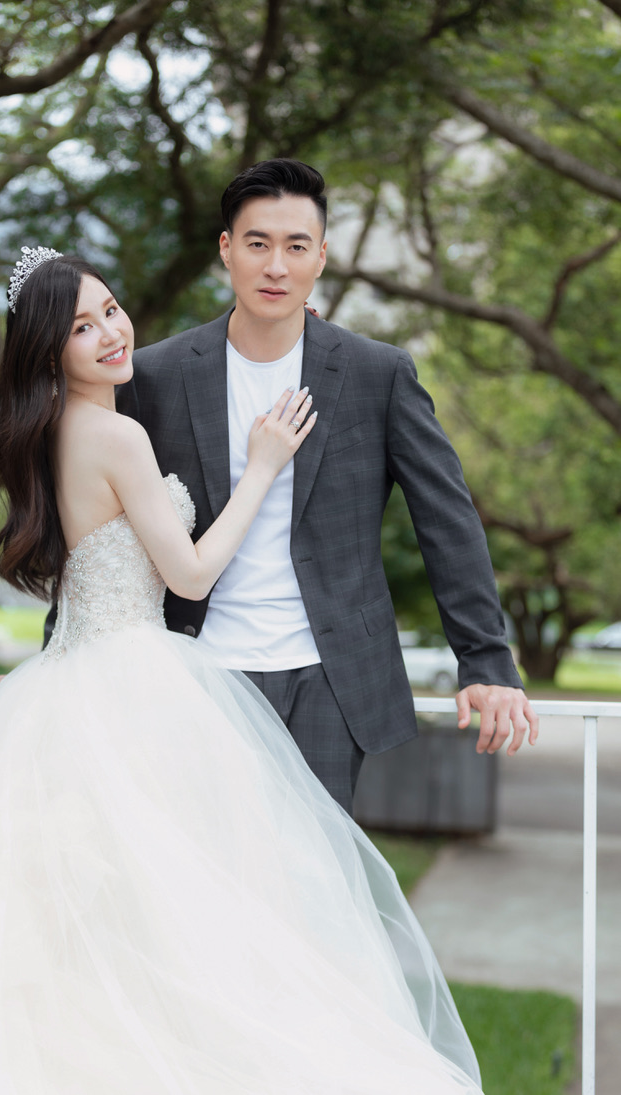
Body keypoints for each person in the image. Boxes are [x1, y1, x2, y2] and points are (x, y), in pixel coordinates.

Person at [0, 247, 486, 1093]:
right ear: (49, 351)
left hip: (70, 677)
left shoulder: (49, 435)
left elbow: (85, 572)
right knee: (205, 915)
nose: (111, 333)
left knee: (113, 924)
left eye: (110, 309)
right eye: (81, 327)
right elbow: (191, 575)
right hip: (137, 683)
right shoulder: (116, 434)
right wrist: (264, 465)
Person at [118, 159, 537, 810]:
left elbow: (447, 520)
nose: (275, 266)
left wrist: (486, 661)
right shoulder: (156, 375)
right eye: (257, 243)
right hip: (196, 667)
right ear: (226, 249)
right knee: (205, 865)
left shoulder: (378, 374)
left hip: (329, 678)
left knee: (312, 868)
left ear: (321, 256)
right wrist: (61, 651)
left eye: (296, 246)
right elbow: (105, 523)